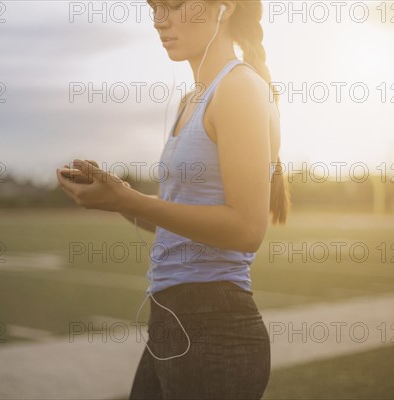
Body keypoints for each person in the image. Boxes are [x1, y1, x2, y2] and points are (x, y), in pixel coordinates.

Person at [56, 1, 290, 398]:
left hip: (215, 331)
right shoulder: (191, 99)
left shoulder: (239, 89)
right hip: (171, 324)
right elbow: (178, 219)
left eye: (175, 5)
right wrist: (118, 199)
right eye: (154, 7)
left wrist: (129, 201)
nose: (160, 20)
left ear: (225, 8)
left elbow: (247, 230)